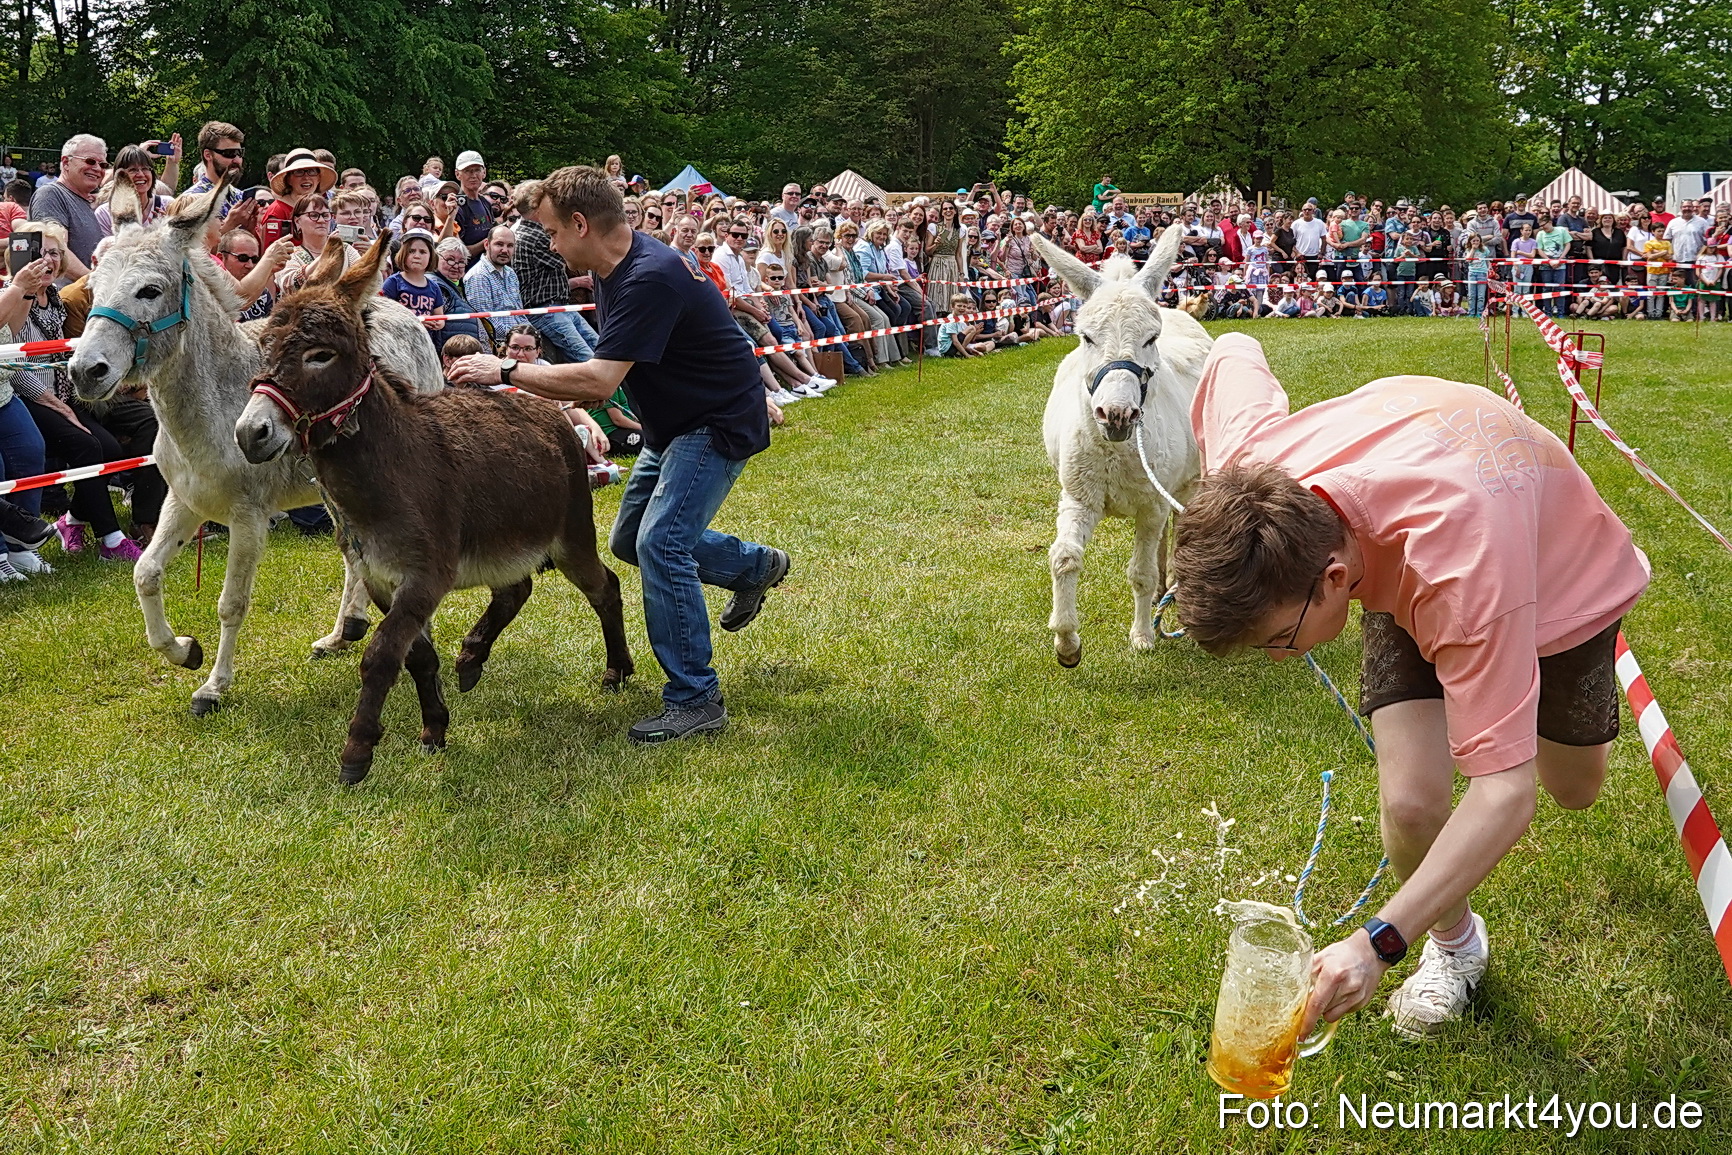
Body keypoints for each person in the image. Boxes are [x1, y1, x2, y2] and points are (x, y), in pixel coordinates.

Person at [1171, 332, 1649, 1039]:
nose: (1279, 659)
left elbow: (1504, 793)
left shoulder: (1463, 575)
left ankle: (1519, 675)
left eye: (1277, 639)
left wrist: (1373, 945)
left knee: (1570, 787)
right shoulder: (1259, 475)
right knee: (1411, 801)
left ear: (1332, 579)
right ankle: (1458, 948)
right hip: (1406, 549)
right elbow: (1233, 348)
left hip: (1552, 575)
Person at [448, 165, 787, 744]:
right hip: (676, 424)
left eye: (552, 233)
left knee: (661, 543)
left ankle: (695, 698)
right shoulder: (617, 264)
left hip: (714, 424)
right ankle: (755, 568)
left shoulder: (647, 277)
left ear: (581, 224)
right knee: (629, 541)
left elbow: (601, 382)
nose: (550, 247)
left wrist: (504, 368)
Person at [11, 222, 158, 556]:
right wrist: (54, 402)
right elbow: (17, 367)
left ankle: (73, 520)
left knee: (108, 450)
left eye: (53, 253)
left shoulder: (56, 301)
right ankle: (112, 539)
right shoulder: (16, 295)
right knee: (87, 447)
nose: (46, 260)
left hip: (62, 395)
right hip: (29, 397)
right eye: (37, 252)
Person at [28, 133, 108, 282]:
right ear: (66, 162)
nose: (97, 168)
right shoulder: (51, 194)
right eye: (90, 161)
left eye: (103, 165)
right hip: (63, 300)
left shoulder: (85, 201)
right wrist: (96, 284)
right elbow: (56, 248)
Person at [257, 148, 335, 249]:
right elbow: (271, 255)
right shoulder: (277, 211)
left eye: (311, 172)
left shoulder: (323, 207)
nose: (306, 177)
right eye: (299, 172)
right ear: (288, 179)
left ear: (319, 178)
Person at [462, 225, 521, 347]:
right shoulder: (478, 276)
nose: (505, 250)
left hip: (519, 341)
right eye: (499, 244)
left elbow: (519, 313)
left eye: (510, 246)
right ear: (486, 245)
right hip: (498, 346)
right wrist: (519, 337)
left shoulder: (511, 274)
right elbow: (487, 322)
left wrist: (531, 333)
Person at [381, 229, 447, 337]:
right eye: (411, 251)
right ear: (403, 254)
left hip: (425, 343)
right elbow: (383, 313)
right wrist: (417, 321)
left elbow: (440, 316)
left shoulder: (434, 287)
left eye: (423, 252)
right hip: (399, 341)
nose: (417, 256)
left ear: (431, 256)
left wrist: (439, 323)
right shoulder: (393, 282)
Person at [452, 150, 493, 260]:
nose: (473, 175)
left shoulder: (485, 203)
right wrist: (489, 241)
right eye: (467, 171)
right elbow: (459, 251)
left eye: (477, 170)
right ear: (457, 174)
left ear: (484, 172)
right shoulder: (455, 207)